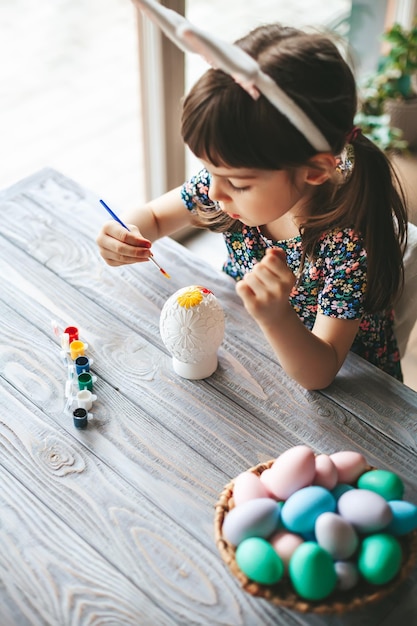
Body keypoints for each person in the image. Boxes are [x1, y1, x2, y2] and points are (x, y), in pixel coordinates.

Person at [96, 23, 408, 390]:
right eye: (209, 170)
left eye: (237, 182)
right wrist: (127, 234)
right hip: (250, 344)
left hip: (351, 392)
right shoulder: (232, 182)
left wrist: (277, 317)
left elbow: (320, 372)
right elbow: (153, 217)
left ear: (315, 170)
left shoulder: (348, 244)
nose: (213, 192)